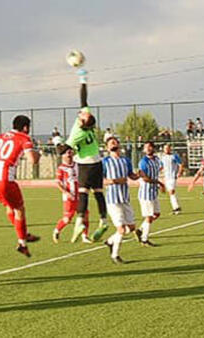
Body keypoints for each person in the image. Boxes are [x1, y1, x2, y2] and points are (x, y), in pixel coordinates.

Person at [0, 115, 40, 257]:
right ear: (26, 127)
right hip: (5, 181)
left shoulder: (1, 137)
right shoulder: (24, 138)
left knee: (10, 207)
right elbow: (32, 160)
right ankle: (22, 242)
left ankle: (23, 234)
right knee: (19, 209)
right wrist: (37, 154)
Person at [65, 69, 108, 242]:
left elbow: (63, 150)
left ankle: (80, 221)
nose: (83, 112)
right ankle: (104, 221)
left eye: (84, 115)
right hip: (97, 162)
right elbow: (84, 99)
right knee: (98, 192)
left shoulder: (78, 132)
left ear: (83, 122)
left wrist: (58, 141)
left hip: (85, 164)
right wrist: (83, 81)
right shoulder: (86, 124)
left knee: (82, 192)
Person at [102, 136, 140, 264]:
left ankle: (110, 241)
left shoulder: (125, 160)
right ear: (107, 147)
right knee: (122, 229)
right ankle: (115, 255)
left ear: (119, 144)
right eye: (110, 143)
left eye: (114, 142)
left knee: (132, 227)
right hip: (113, 199)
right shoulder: (105, 162)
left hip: (125, 198)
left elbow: (132, 176)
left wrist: (139, 174)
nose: (113, 144)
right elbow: (101, 181)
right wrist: (114, 181)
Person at [53, 144, 91, 244]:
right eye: (67, 152)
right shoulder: (61, 168)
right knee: (67, 219)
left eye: (70, 151)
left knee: (85, 215)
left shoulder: (77, 164)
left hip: (80, 195)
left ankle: (85, 236)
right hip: (69, 197)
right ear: (63, 155)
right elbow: (58, 183)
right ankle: (57, 231)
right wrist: (66, 192)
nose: (70, 154)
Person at [137, 141, 164, 247]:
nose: (147, 149)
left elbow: (159, 169)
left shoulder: (157, 159)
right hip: (145, 193)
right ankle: (144, 239)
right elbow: (145, 178)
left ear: (153, 148)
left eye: (149, 147)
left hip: (153, 192)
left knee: (156, 214)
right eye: (146, 147)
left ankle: (140, 230)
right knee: (149, 216)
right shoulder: (143, 162)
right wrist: (159, 183)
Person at [160, 144, 184, 215]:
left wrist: (179, 172)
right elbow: (161, 166)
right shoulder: (162, 157)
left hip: (172, 176)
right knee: (171, 193)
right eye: (165, 148)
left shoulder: (174, 156)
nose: (166, 149)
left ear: (170, 149)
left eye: (168, 148)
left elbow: (180, 164)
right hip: (166, 177)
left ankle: (176, 207)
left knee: (171, 191)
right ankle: (177, 206)